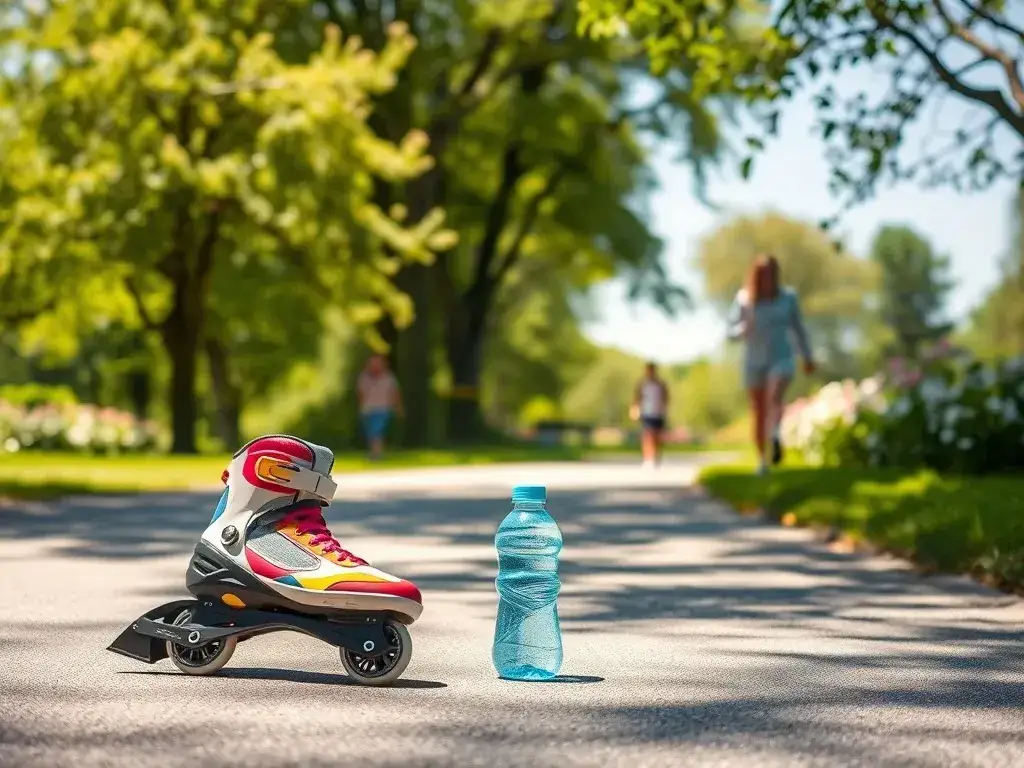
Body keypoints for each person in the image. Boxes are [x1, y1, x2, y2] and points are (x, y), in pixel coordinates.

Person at [728, 254, 815, 476]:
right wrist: (743, 329)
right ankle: (762, 460)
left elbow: (799, 329)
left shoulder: (788, 298)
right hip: (754, 362)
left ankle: (775, 434)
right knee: (758, 411)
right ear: (756, 275)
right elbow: (730, 333)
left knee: (775, 397)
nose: (767, 278)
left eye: (771, 274)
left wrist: (807, 356)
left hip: (781, 357)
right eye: (763, 274)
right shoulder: (744, 299)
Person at [356, 354, 402, 460]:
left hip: (383, 409)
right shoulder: (364, 377)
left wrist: (397, 406)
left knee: (377, 431)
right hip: (368, 409)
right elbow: (360, 393)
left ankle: (376, 454)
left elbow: (395, 392)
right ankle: (376, 451)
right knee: (371, 433)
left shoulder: (388, 378)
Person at [630, 361, 669, 468]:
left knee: (657, 436)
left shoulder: (660, 384)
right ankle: (647, 458)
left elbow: (666, 397)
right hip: (646, 412)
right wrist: (634, 409)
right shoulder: (642, 384)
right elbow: (637, 398)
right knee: (647, 435)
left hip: (658, 413)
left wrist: (664, 408)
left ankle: (656, 456)